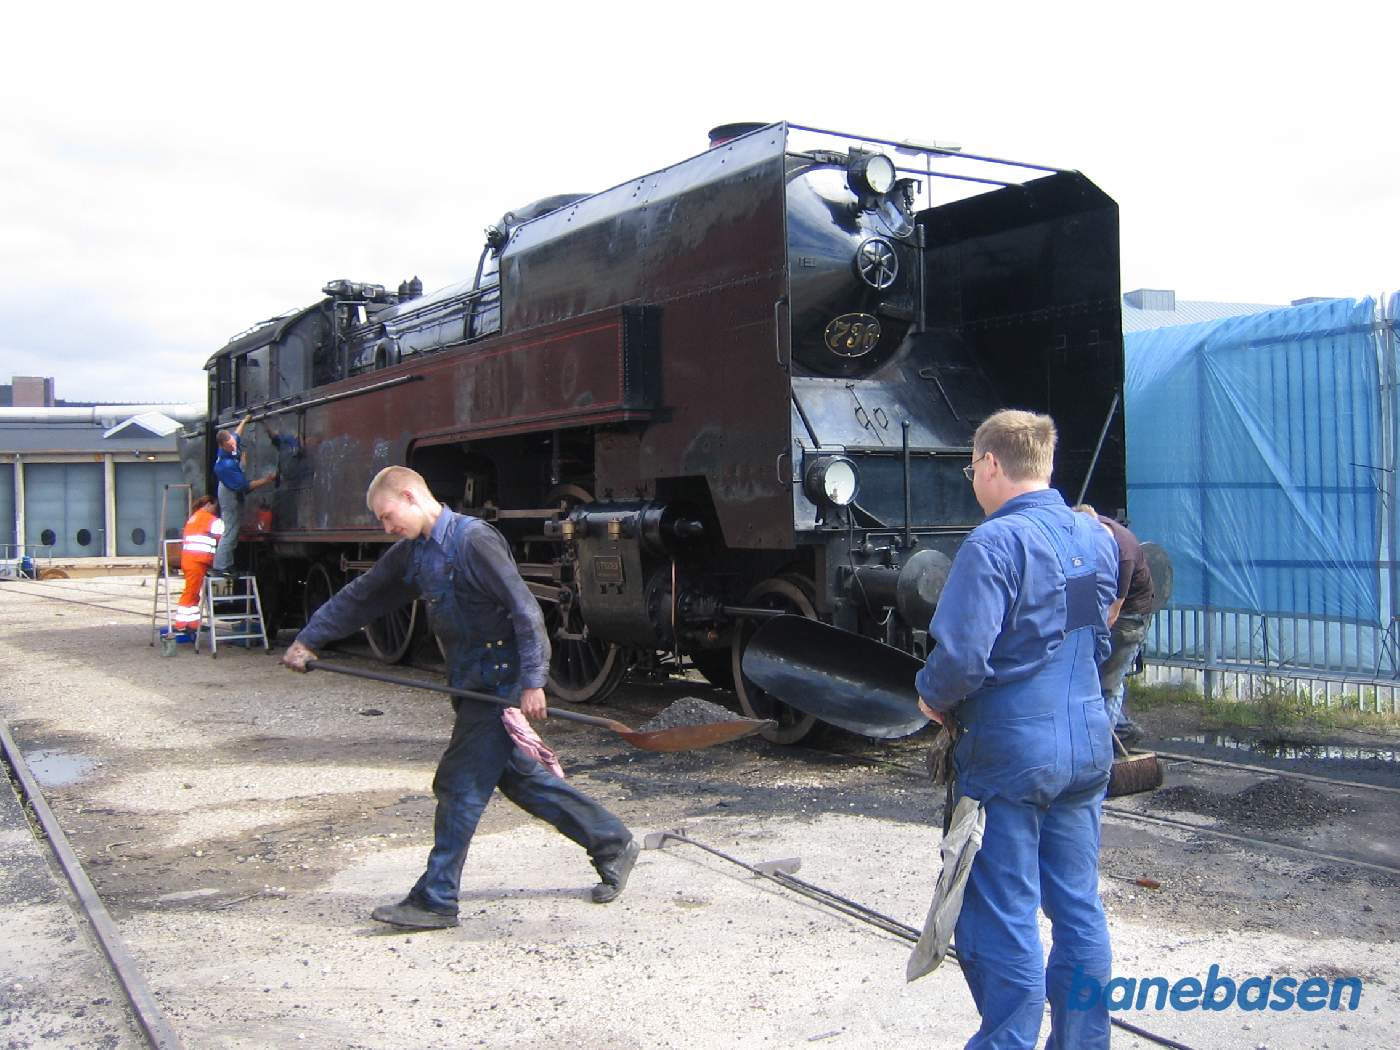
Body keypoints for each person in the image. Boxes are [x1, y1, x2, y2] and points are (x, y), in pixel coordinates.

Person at [281, 465, 638, 929]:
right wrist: (309, 639)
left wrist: (533, 681)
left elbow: (524, 609)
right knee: (521, 780)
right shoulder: (414, 552)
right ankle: (612, 842)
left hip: (498, 686)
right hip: (470, 683)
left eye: (388, 516)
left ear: (410, 497)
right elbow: (364, 595)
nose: (386, 528)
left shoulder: (474, 541)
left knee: (458, 786)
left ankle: (436, 898)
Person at [914, 410, 1119, 1050]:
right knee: (1078, 907)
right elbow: (1095, 637)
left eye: (972, 468)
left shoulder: (993, 544)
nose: (974, 480)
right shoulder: (1093, 539)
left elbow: (962, 659)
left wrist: (930, 697)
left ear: (991, 464)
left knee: (1003, 916)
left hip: (1010, 756)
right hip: (1086, 745)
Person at [1073, 505, 1156, 748]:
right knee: (1101, 676)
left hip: (1129, 616)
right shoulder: (1094, 524)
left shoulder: (1123, 554)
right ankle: (1119, 728)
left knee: (1109, 681)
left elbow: (1112, 613)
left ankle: (1104, 745)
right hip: (1111, 608)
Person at [211, 415, 276, 578]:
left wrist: (244, 421)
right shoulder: (224, 466)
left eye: (233, 442)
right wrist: (267, 480)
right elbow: (245, 487)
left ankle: (227, 564)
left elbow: (236, 434)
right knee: (230, 531)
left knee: (233, 531)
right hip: (229, 493)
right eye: (230, 445)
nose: (233, 445)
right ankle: (221, 566)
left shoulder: (230, 444)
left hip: (232, 487)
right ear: (222, 445)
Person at [174, 495, 223, 633]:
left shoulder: (194, 517)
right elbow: (223, 536)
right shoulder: (212, 520)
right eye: (215, 507)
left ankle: (192, 623)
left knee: (194, 593)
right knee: (190, 592)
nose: (216, 510)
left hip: (190, 560)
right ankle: (181, 624)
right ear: (208, 504)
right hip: (198, 561)